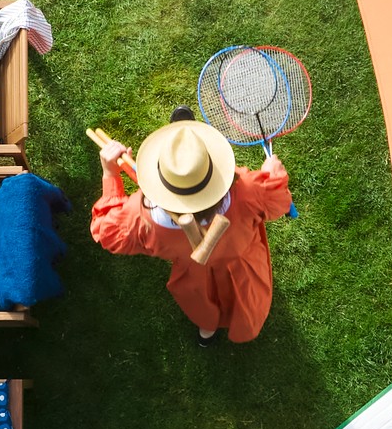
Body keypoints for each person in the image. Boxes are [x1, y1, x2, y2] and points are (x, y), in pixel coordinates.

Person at [90, 108, 292, 345]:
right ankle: (239, 323)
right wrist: (272, 172)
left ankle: (207, 331)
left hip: (194, 278)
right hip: (243, 267)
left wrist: (110, 175)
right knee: (246, 302)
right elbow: (279, 202)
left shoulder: (141, 218)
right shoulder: (248, 192)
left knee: (203, 307)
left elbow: (107, 233)